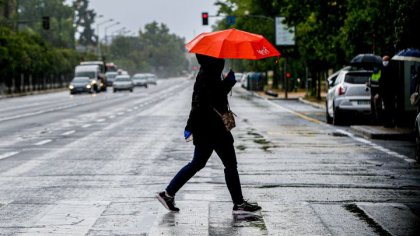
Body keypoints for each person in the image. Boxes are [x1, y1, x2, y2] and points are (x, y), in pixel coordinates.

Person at [156, 54, 261, 214]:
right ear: (213, 58)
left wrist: (190, 126)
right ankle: (239, 204)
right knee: (229, 164)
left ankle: (168, 194)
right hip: (213, 130)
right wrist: (228, 83)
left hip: (205, 130)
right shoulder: (209, 74)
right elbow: (211, 99)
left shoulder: (206, 72)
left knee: (198, 163)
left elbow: (198, 101)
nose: (222, 58)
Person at [380, 55, 396, 127]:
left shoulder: (391, 70)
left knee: (390, 107)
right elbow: (381, 82)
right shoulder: (382, 69)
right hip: (384, 93)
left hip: (390, 92)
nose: (384, 62)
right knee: (386, 108)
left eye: (385, 61)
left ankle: (390, 122)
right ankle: (387, 122)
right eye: (383, 61)